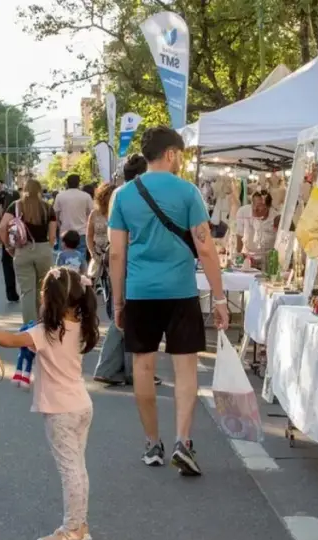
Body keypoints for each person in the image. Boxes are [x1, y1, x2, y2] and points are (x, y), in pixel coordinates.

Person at [109, 126, 228, 476]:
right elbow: (205, 246)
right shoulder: (188, 192)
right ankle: (183, 441)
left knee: (143, 368)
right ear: (172, 153)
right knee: (184, 368)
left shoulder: (124, 196)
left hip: (140, 292)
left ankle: (152, 443)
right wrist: (219, 297)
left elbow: (117, 254)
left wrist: (118, 302)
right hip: (181, 291)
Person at [0, 267, 98, 540]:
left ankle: (71, 530)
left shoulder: (46, 332)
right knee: (78, 468)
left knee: (70, 469)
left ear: (50, 299)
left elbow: (11, 340)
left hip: (60, 411)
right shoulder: (80, 327)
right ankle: (80, 523)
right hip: (81, 404)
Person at [93, 155, 157, 388]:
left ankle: (122, 368)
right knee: (131, 315)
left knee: (127, 313)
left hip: (119, 257)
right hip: (137, 258)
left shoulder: (118, 195)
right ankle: (125, 369)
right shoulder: (139, 194)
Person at [0, 179, 57, 325]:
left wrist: (8, 246)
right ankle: (43, 322)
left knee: (27, 291)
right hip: (43, 249)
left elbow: (2, 227)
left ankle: (29, 327)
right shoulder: (48, 208)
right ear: (39, 190)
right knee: (43, 289)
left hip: (22, 250)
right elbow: (52, 236)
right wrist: (47, 247)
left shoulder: (16, 206)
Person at [234, 190, 281, 269]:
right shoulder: (243, 212)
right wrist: (239, 256)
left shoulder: (276, 218)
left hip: (268, 260)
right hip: (248, 258)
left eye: (259, 206)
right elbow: (239, 235)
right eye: (253, 204)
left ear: (268, 207)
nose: (255, 208)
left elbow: (279, 244)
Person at [54, 174, 92, 257]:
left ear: (67, 183)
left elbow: (56, 216)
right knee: (80, 260)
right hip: (81, 232)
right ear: (79, 183)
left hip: (65, 232)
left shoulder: (60, 196)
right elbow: (91, 215)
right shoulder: (86, 196)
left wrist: (60, 226)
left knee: (64, 260)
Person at [0, 186, 19, 302]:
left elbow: (1, 226)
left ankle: (11, 293)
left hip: (8, 241)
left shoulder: (6, 210)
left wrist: (5, 244)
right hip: (20, 241)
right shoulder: (20, 208)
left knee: (8, 267)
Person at [86, 182, 114, 267]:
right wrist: (92, 253)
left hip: (115, 255)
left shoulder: (120, 212)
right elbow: (89, 235)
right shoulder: (94, 213)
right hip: (98, 255)